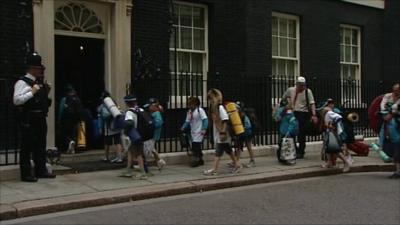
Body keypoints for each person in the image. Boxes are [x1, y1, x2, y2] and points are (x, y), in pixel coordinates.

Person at [13, 52, 56, 182]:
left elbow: (42, 101)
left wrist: (45, 92)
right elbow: (17, 100)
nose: (40, 71)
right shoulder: (22, 82)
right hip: (29, 119)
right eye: (39, 69)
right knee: (27, 147)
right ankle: (26, 174)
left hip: (40, 118)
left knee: (40, 145)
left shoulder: (38, 82)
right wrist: (32, 92)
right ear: (33, 69)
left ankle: (41, 170)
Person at [203, 89, 242, 176]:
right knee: (228, 150)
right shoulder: (214, 108)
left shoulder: (219, 107)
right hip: (220, 133)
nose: (210, 100)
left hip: (222, 134)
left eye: (210, 98)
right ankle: (237, 165)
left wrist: (223, 132)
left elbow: (225, 119)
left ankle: (214, 170)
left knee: (218, 151)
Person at [281, 76, 318, 159]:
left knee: (301, 133)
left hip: (303, 113)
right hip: (292, 113)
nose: (303, 87)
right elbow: (283, 98)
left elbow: (312, 104)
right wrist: (287, 104)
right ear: (297, 84)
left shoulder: (308, 92)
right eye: (301, 85)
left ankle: (301, 151)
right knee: (291, 132)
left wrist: (314, 115)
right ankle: (294, 149)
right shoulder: (290, 90)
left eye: (304, 85)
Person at [120, 95, 147, 179]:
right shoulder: (141, 109)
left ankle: (143, 173)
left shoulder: (129, 112)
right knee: (130, 152)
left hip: (135, 135)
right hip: (142, 134)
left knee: (138, 154)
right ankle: (128, 170)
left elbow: (130, 123)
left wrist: (125, 131)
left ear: (127, 103)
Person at [322, 99, 351, 172]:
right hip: (329, 132)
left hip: (331, 133)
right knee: (328, 149)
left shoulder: (329, 113)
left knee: (335, 150)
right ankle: (329, 163)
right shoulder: (327, 113)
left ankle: (346, 162)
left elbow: (338, 117)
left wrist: (332, 126)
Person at [379, 83, 400, 179]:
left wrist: (391, 114)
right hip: (390, 125)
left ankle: (398, 171)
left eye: (397, 90)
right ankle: (397, 170)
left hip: (397, 125)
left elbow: (395, 109)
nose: (395, 92)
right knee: (391, 146)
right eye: (394, 90)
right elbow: (382, 105)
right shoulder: (388, 96)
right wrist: (386, 112)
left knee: (397, 147)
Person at [181, 97, 208, 167]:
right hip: (192, 131)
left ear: (195, 104)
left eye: (190, 104)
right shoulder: (189, 112)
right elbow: (187, 121)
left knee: (195, 146)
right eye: (188, 104)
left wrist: (204, 128)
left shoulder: (200, 110)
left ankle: (196, 160)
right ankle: (200, 159)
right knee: (196, 146)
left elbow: (205, 120)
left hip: (199, 131)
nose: (189, 106)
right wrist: (183, 127)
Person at [97, 91, 123, 163]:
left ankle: (106, 157)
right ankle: (119, 157)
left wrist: (100, 127)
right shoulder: (114, 104)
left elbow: (102, 117)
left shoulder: (103, 106)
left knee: (107, 142)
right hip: (116, 125)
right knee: (118, 142)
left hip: (108, 126)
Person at [57, 85, 82, 154]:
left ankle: (69, 142)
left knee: (64, 133)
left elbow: (61, 110)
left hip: (66, 119)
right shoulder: (77, 98)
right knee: (73, 133)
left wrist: (59, 120)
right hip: (75, 119)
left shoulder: (65, 99)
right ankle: (72, 148)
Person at [143, 98, 166, 171]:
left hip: (153, 134)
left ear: (154, 106)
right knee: (152, 149)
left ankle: (144, 163)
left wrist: (151, 125)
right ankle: (160, 162)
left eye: (149, 106)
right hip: (152, 134)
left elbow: (159, 123)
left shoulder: (156, 113)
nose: (148, 108)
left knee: (148, 149)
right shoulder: (153, 113)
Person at [273, 99, 299, 165]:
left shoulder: (280, 110)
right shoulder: (288, 111)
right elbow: (292, 122)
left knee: (282, 144)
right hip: (287, 131)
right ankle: (288, 159)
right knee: (289, 145)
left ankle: (283, 158)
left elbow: (276, 119)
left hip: (283, 130)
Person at [231, 102, 256, 168]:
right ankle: (236, 161)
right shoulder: (238, 115)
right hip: (243, 132)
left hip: (247, 133)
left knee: (246, 146)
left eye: (236, 107)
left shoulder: (243, 115)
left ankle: (251, 160)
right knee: (240, 147)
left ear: (239, 108)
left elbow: (247, 126)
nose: (235, 108)